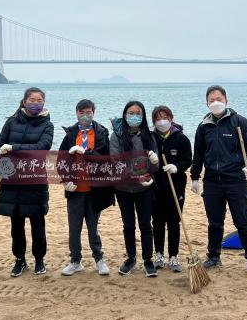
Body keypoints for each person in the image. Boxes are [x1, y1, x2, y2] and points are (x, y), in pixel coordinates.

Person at [190, 85, 247, 276]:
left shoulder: (239, 122)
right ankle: (214, 256)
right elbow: (198, 153)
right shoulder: (203, 126)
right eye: (211, 100)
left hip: (237, 180)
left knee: (242, 222)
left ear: (226, 100)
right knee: (215, 222)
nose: (216, 102)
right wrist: (195, 177)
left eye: (219, 99)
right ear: (206, 103)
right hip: (212, 181)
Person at [0, 87, 54, 277]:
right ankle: (20, 260)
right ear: (24, 102)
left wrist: (14, 147)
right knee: (16, 224)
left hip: (35, 179)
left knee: (37, 222)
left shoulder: (47, 125)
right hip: (13, 179)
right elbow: (0, 147)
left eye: (39, 100)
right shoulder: (11, 122)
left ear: (44, 103)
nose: (35, 103)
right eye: (32, 100)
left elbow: (42, 147)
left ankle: (39, 260)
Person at [57, 99, 114, 276]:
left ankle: (99, 259)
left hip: (95, 189)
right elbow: (60, 161)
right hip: (75, 190)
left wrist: (86, 153)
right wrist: (66, 180)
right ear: (76, 113)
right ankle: (75, 261)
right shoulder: (70, 134)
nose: (85, 116)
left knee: (92, 227)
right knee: (74, 228)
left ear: (93, 113)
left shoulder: (101, 132)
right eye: (81, 112)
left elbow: (106, 158)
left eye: (88, 112)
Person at [109, 101, 160, 277]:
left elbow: (154, 167)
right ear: (125, 115)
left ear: (143, 116)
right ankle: (131, 258)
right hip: (123, 188)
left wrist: (154, 162)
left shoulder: (150, 136)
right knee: (128, 225)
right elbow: (116, 162)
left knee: (145, 225)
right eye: (131, 113)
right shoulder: (116, 136)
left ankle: (148, 259)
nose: (134, 116)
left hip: (144, 189)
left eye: (138, 113)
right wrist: (135, 175)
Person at [151, 105, 192, 272]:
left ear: (171, 118)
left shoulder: (180, 138)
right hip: (156, 188)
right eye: (158, 118)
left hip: (176, 187)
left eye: (165, 117)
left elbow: (187, 159)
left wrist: (177, 167)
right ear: (154, 121)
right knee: (157, 222)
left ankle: (173, 256)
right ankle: (159, 254)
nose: (162, 121)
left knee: (174, 222)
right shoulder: (151, 138)